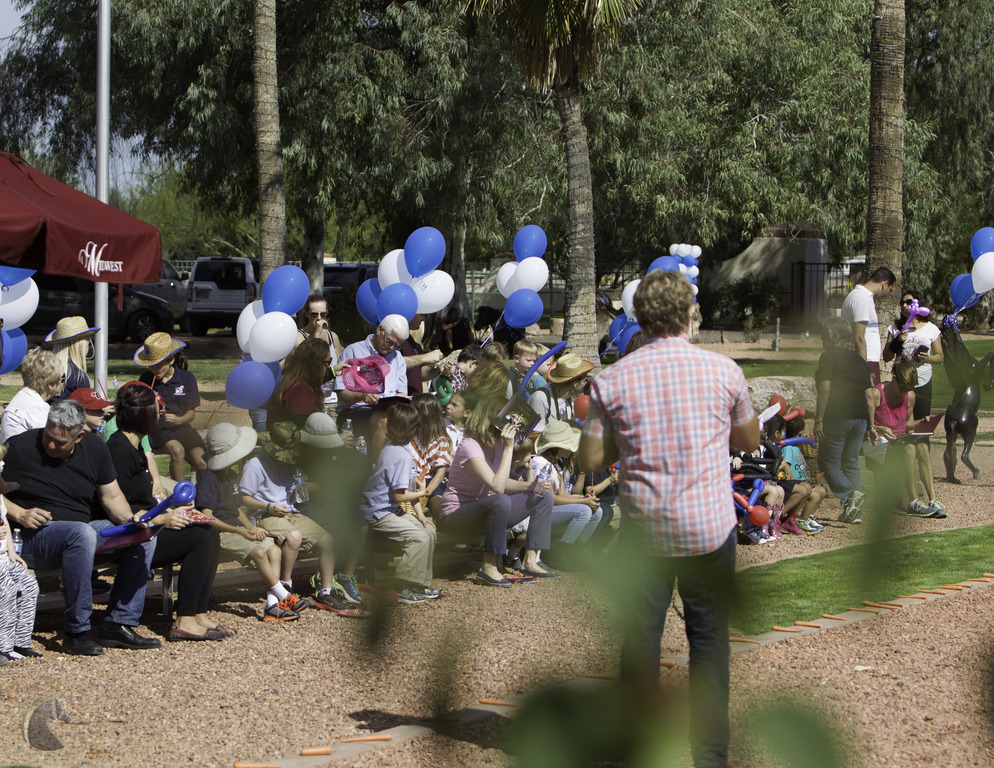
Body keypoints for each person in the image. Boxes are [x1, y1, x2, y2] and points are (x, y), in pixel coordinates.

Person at [579, 270, 758, 768]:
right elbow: (748, 441)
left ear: (639, 317)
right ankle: (710, 757)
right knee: (710, 645)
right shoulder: (724, 371)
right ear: (687, 314)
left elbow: (590, 459)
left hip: (647, 531)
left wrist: (627, 441)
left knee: (640, 642)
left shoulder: (611, 380)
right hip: (708, 527)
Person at [1, 399, 161, 655]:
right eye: (48, 437)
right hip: (32, 537)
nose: (50, 445)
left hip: (80, 535)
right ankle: (77, 631)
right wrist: (20, 513)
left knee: (143, 533)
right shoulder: (20, 447)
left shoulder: (95, 447)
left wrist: (130, 519)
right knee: (81, 533)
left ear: (78, 437)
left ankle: (119, 623)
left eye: (59, 442)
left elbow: (112, 496)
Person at [106, 382, 228, 640]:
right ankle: (184, 619)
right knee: (199, 540)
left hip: (148, 524)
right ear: (143, 414)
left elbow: (144, 498)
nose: (161, 414)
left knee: (209, 532)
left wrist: (176, 511)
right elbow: (121, 507)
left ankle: (198, 613)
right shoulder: (118, 449)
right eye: (157, 410)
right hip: (128, 534)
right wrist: (163, 518)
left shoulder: (136, 446)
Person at [438, 393, 555, 587]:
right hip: (457, 517)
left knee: (543, 496)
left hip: (487, 513)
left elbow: (501, 481)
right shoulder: (470, 445)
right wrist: (509, 448)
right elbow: (497, 486)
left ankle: (530, 560)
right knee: (501, 500)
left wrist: (530, 486)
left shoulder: (498, 445)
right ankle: (489, 567)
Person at [197, 422, 301, 622]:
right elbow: (207, 517)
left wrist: (250, 528)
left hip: (236, 529)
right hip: (217, 533)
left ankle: (272, 605)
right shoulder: (209, 478)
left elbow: (236, 509)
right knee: (259, 552)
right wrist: (240, 532)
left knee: (274, 550)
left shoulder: (231, 475)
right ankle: (285, 596)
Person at [239, 422, 342, 611]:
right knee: (294, 537)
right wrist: (268, 506)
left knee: (328, 541)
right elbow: (244, 499)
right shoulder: (255, 465)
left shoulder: (291, 464)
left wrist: (301, 489)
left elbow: (292, 496)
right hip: (264, 514)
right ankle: (286, 587)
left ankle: (326, 592)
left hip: (289, 511)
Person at [359, 402, 439, 604]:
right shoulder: (400, 454)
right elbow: (400, 496)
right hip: (378, 512)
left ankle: (418, 584)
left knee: (429, 530)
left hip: (389, 509)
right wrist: (422, 492)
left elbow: (408, 486)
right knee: (420, 537)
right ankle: (401, 586)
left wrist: (420, 515)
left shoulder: (397, 446)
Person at [815, 316, 877, 524]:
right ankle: (855, 514)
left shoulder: (828, 357)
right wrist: (871, 425)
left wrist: (819, 420)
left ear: (832, 335)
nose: (822, 338)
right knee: (851, 463)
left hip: (838, 417)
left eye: (824, 334)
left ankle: (850, 495)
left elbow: (825, 389)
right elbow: (869, 396)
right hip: (860, 419)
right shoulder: (859, 360)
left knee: (827, 462)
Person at [871, 359, 944, 518]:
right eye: (902, 388)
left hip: (898, 440)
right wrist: (881, 428)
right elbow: (864, 426)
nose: (903, 392)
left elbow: (906, 424)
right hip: (879, 440)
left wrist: (921, 423)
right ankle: (913, 502)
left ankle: (933, 500)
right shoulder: (876, 394)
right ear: (894, 377)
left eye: (908, 389)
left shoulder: (909, 396)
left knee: (923, 447)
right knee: (910, 448)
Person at [135, 332, 207, 481]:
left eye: (157, 365)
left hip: (182, 428)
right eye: (150, 365)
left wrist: (178, 420)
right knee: (177, 450)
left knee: (202, 463)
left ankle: (202, 493)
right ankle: (178, 492)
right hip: (157, 429)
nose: (154, 370)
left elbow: (191, 414)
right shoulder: (146, 379)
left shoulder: (186, 378)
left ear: (170, 360)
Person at [531, 420, 602, 560]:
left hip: (551, 507)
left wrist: (583, 498)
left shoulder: (557, 463)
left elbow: (562, 493)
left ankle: (575, 551)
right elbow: (551, 498)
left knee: (597, 512)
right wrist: (584, 503)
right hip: (539, 510)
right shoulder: (540, 463)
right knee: (584, 511)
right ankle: (560, 553)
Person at [334, 314, 410, 430]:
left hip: (388, 411)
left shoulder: (398, 358)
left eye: (397, 346)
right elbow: (342, 394)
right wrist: (361, 396)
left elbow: (402, 394)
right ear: (380, 330)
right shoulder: (353, 351)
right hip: (355, 410)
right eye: (389, 342)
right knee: (383, 421)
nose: (391, 348)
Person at [883, 289, 943, 420]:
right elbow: (886, 357)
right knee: (898, 419)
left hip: (922, 379)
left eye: (909, 302)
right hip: (900, 381)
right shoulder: (895, 328)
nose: (904, 305)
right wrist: (897, 341)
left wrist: (927, 358)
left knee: (922, 419)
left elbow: (940, 357)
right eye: (902, 303)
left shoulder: (931, 329)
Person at [0, 466, 40, 662]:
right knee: (7, 590)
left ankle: (21, 642)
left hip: (3, 556)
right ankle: (3, 647)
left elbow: (4, 522)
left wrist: (11, 552)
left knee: (29, 584)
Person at [840, 266, 896, 385]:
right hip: (865, 361)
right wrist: (865, 370)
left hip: (867, 360)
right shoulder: (862, 298)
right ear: (885, 284)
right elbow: (859, 337)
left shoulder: (863, 297)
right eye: (889, 290)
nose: (887, 294)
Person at [0, 348, 64, 443]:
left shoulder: (23, 398)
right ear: (50, 384)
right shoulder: (36, 409)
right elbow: (53, 443)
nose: (62, 381)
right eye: (62, 377)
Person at [266, 337, 331, 430]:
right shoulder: (300, 389)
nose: (328, 366)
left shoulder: (292, 382)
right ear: (316, 364)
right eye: (327, 362)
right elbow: (301, 430)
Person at [295, 293, 343, 414]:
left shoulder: (332, 337)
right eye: (314, 314)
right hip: (309, 399)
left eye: (323, 314)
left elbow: (337, 366)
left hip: (331, 399)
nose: (319, 318)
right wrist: (316, 334)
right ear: (306, 314)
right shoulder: (299, 337)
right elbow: (304, 366)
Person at [528, 353, 595, 431]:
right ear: (575, 383)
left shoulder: (568, 396)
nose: (586, 383)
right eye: (585, 379)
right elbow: (534, 434)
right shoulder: (540, 399)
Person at [45, 316, 99, 400]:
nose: (89, 341)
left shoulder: (45, 370)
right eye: (87, 339)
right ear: (78, 344)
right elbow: (87, 405)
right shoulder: (78, 376)